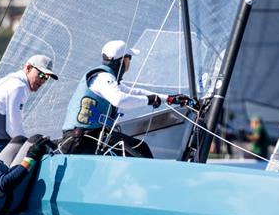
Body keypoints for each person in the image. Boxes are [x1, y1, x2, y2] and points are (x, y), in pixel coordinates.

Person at [60, 39, 192, 158]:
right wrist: (149, 100)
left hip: (90, 137)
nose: (130, 62)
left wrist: (168, 99)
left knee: (138, 149)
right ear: (123, 60)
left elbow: (134, 92)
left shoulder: (106, 79)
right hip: (82, 139)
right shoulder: (103, 78)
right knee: (141, 149)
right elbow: (119, 100)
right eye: (130, 58)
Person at [0, 55, 58, 155]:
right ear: (28, 68)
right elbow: (14, 131)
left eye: (47, 78)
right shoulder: (19, 87)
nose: (43, 81)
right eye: (41, 75)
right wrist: (32, 146)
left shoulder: (9, 81)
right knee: (36, 154)